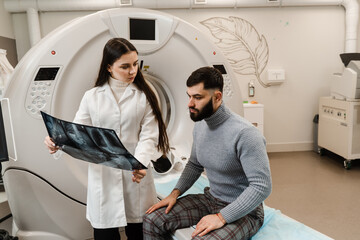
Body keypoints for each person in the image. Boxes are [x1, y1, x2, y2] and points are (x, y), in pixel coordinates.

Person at [44, 38, 169, 240]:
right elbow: (77, 133)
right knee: (105, 234)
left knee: (138, 233)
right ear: (109, 67)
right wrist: (56, 141)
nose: (132, 71)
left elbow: (149, 136)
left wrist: (140, 164)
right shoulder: (92, 96)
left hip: (135, 175)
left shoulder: (145, 95)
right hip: (103, 176)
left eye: (135, 64)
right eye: (125, 66)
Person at [143, 66, 272, 240]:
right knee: (152, 220)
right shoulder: (201, 125)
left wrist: (221, 217)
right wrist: (174, 193)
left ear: (217, 97)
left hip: (245, 211)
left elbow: (261, 186)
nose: (190, 103)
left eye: (197, 97)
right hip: (211, 199)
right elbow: (194, 164)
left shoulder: (245, 134)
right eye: (189, 96)